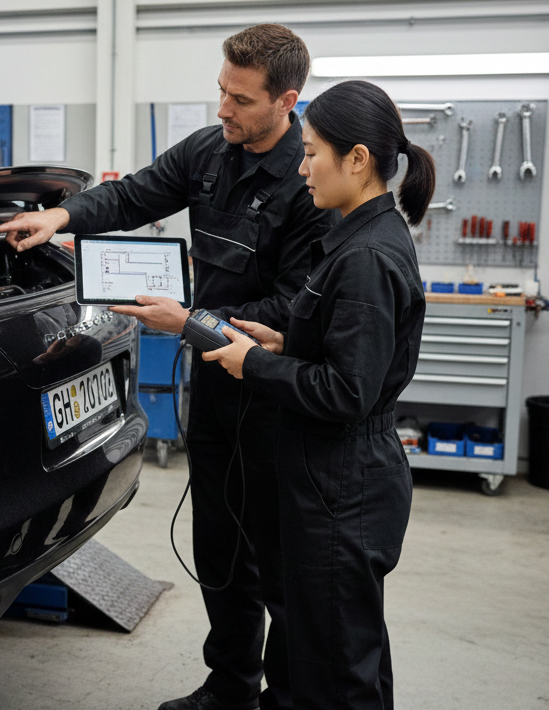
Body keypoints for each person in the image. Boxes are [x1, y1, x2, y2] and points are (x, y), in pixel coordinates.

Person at [0, 24, 339, 710]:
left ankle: (287, 696)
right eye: (220, 90)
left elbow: (291, 310)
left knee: (275, 556)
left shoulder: (308, 184)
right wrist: (62, 216)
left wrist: (191, 321)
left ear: (286, 101)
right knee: (218, 544)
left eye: (240, 99)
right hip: (213, 384)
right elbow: (134, 195)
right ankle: (230, 685)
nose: (223, 108)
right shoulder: (209, 151)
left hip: (272, 395)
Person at [203, 80, 434, 709]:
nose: (302, 169)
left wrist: (254, 364)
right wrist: (286, 343)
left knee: (337, 673)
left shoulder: (365, 256)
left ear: (356, 159)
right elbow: (350, 353)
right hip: (336, 476)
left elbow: (346, 390)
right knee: (339, 649)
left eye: (310, 154)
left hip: (343, 484)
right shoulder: (361, 238)